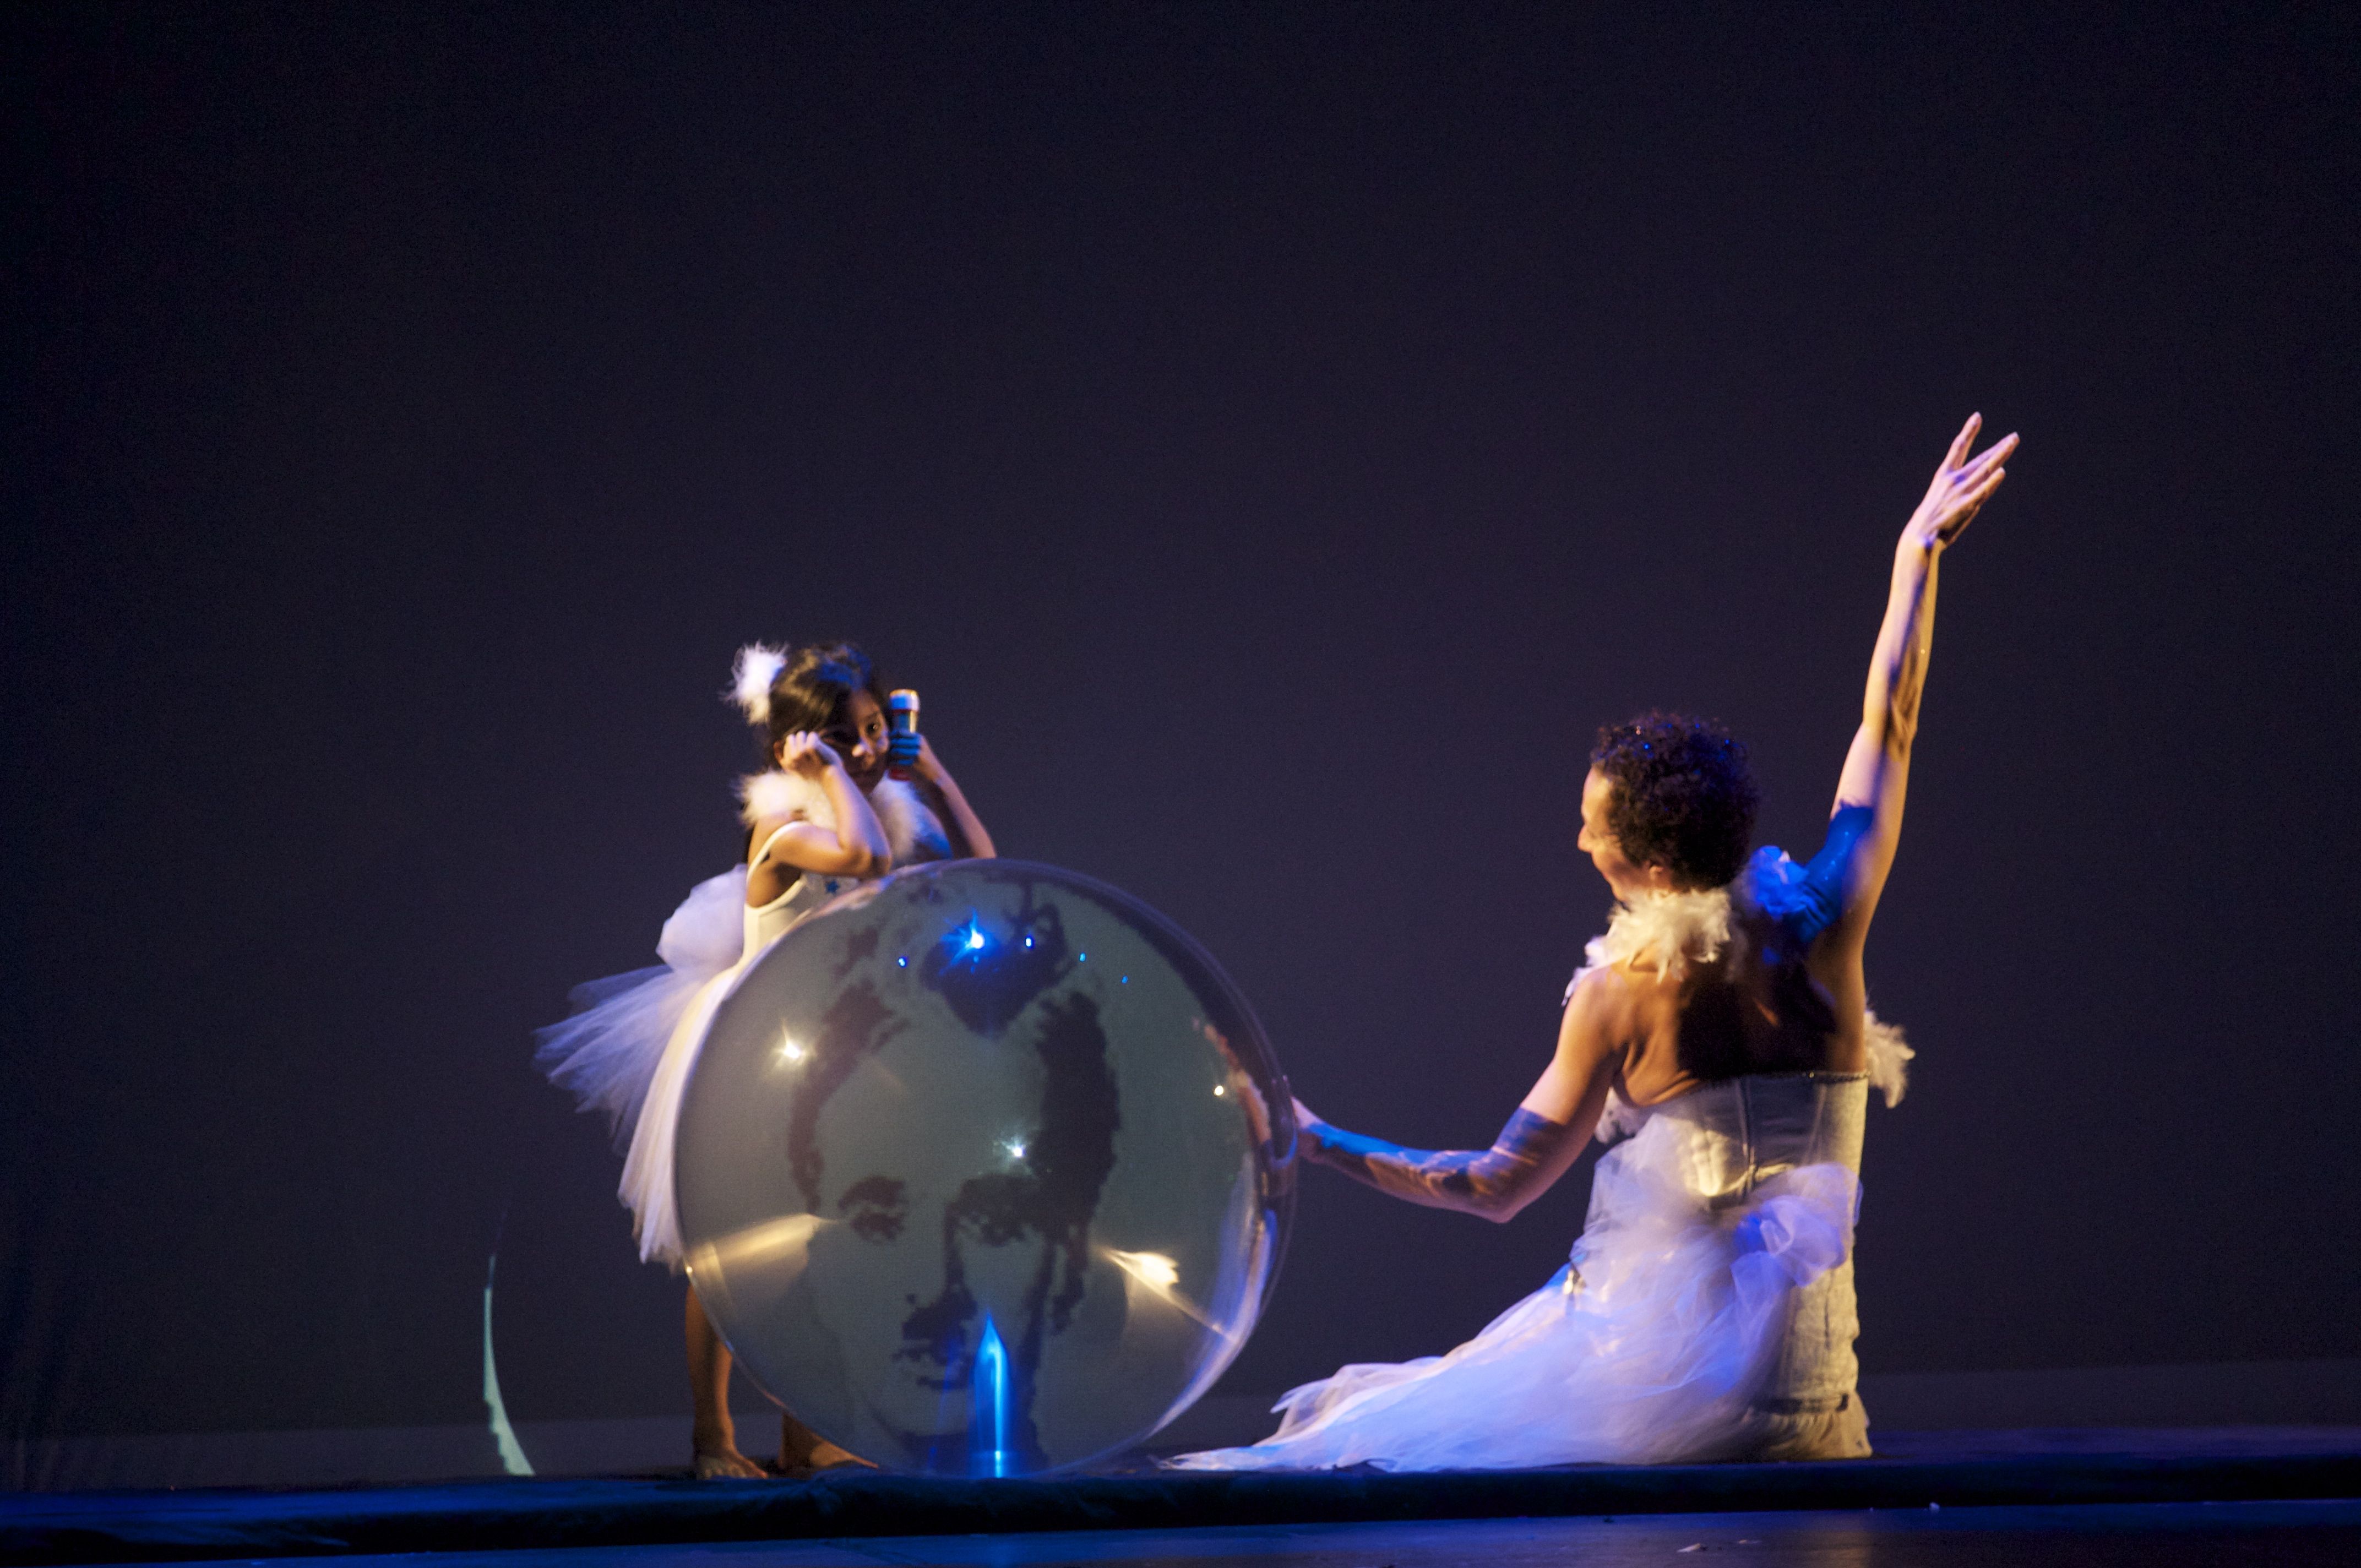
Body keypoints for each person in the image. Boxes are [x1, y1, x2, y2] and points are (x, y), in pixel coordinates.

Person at [1172, 414, 2016, 1470]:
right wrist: (1914, 559)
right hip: (1813, 1411)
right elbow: (1890, 726)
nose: (1578, 839)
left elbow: (1495, 1185)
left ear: (1649, 862)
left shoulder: (1622, 992)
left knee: (1369, 1444)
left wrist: (1314, 1137)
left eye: (1593, 824)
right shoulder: (1828, 916)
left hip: (1671, 1408)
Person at [537, 640, 995, 1478]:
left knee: (827, 1246)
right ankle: (712, 1436)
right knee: (732, 1250)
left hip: (837, 1059)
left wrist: (934, 778)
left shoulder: (876, 815)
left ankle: (805, 1435)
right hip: (757, 1058)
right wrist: (828, 774)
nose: (867, 752)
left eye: (873, 731)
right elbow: (867, 860)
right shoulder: (786, 831)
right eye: (845, 737)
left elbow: (984, 872)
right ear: (799, 747)